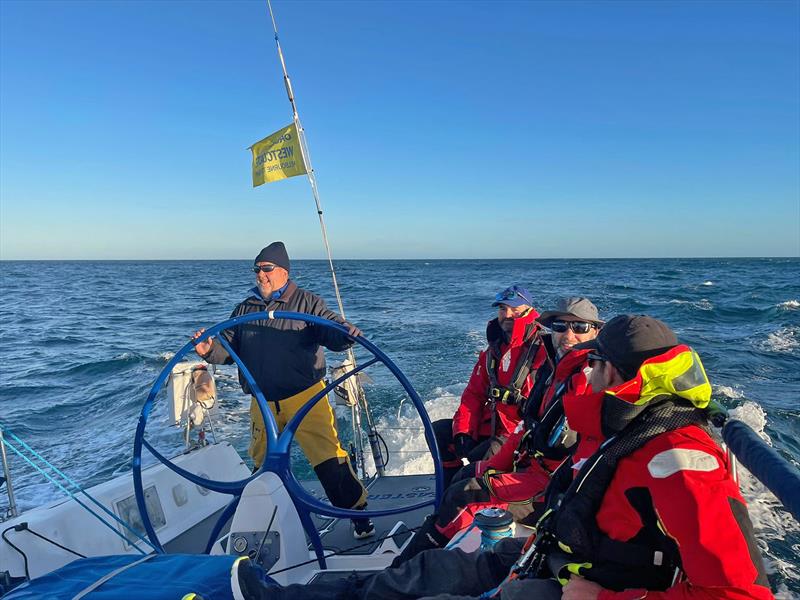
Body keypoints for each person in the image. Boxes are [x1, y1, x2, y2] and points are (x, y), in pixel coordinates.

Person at [236, 314, 772, 600]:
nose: (582, 362)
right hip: (553, 558)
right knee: (425, 571)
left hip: (584, 587)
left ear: (618, 373)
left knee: (440, 578)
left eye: (595, 355)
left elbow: (741, 594)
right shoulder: (619, 428)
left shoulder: (679, 455)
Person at [391, 298, 603, 566]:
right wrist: (474, 446)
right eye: (561, 326)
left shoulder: (595, 379)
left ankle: (409, 567)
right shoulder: (554, 372)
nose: (569, 335)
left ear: (596, 331)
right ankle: (436, 538)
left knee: (464, 495)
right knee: (466, 473)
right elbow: (498, 408)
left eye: (580, 327)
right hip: (530, 464)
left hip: (556, 488)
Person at [192, 241, 374, 539]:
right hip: (261, 401)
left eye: (266, 269)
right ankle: (269, 525)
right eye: (257, 270)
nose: (260, 275)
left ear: (284, 272)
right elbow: (228, 349)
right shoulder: (245, 309)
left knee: (329, 460)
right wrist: (209, 349)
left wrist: (345, 334)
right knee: (262, 465)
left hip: (305, 397)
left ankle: (358, 516)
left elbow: (330, 329)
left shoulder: (307, 303)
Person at [433, 285, 545, 488]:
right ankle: (449, 493)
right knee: (438, 432)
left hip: (520, 435)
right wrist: (463, 432)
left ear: (529, 310)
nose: (507, 314)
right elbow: (473, 395)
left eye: (514, 308)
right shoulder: (493, 351)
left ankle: (468, 499)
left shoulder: (543, 350)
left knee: (481, 463)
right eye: (503, 309)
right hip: (492, 426)